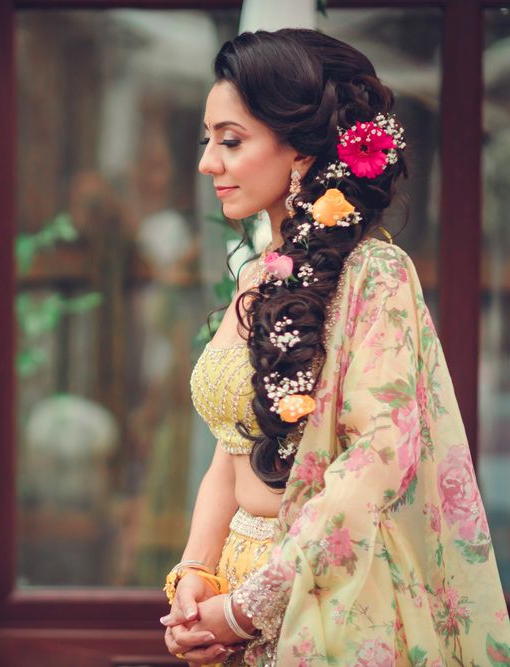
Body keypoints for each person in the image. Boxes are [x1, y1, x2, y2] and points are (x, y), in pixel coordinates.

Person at [158, 28, 510, 666]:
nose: (209, 162)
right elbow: (231, 446)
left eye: (230, 141)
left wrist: (248, 609)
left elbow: (378, 457)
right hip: (231, 591)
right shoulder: (252, 275)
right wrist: (194, 581)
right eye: (207, 140)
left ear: (300, 153)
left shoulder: (374, 274)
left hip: (330, 596)